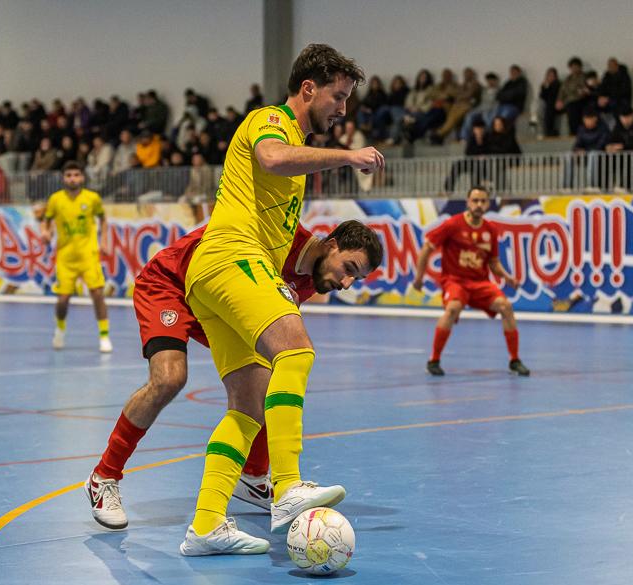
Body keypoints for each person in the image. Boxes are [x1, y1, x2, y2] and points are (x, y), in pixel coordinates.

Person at [179, 43, 384, 556]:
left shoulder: (295, 149)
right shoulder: (271, 121)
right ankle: (288, 486)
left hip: (214, 274)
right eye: (338, 96)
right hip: (231, 256)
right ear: (308, 89)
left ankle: (205, 525)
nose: (343, 110)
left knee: (247, 409)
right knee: (296, 350)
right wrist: (348, 156)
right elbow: (271, 157)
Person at [85, 220, 381, 529]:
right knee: (169, 378)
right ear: (331, 246)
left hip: (215, 303)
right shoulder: (279, 233)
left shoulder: (310, 280)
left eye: (356, 278)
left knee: (270, 377)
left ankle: (253, 477)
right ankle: (104, 476)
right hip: (173, 283)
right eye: (348, 268)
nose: (347, 283)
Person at [412, 186, 530, 377]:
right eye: (475, 201)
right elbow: (427, 247)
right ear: (468, 202)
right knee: (452, 309)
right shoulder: (452, 224)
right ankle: (433, 360)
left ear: (488, 204)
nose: (479, 205)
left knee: (506, 307)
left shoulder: (490, 230)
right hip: (455, 281)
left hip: (479, 284)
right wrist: (419, 278)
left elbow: (493, 262)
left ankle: (514, 360)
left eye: (483, 201)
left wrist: (507, 278)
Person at [39, 161, 112, 353]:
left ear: (82, 177)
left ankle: (104, 336)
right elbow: (46, 221)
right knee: (63, 299)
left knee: (97, 294)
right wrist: (45, 232)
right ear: (64, 178)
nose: (73, 178)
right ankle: (60, 330)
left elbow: (103, 219)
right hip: (65, 258)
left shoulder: (92, 198)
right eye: (69, 175)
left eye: (76, 175)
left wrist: (104, 241)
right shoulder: (55, 200)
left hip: (89, 255)